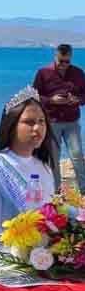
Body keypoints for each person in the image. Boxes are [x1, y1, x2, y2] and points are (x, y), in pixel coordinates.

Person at [0, 86, 56, 233]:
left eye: (41, 121)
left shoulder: (44, 167)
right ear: (11, 126)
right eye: (29, 122)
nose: (37, 128)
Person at [33, 43, 85, 192]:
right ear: (55, 57)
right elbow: (34, 95)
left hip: (72, 121)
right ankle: (55, 193)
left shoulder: (78, 73)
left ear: (71, 58)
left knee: (77, 156)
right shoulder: (43, 73)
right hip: (52, 121)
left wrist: (77, 100)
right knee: (53, 160)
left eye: (67, 61)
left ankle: (83, 191)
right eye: (61, 61)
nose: (63, 65)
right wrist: (51, 100)